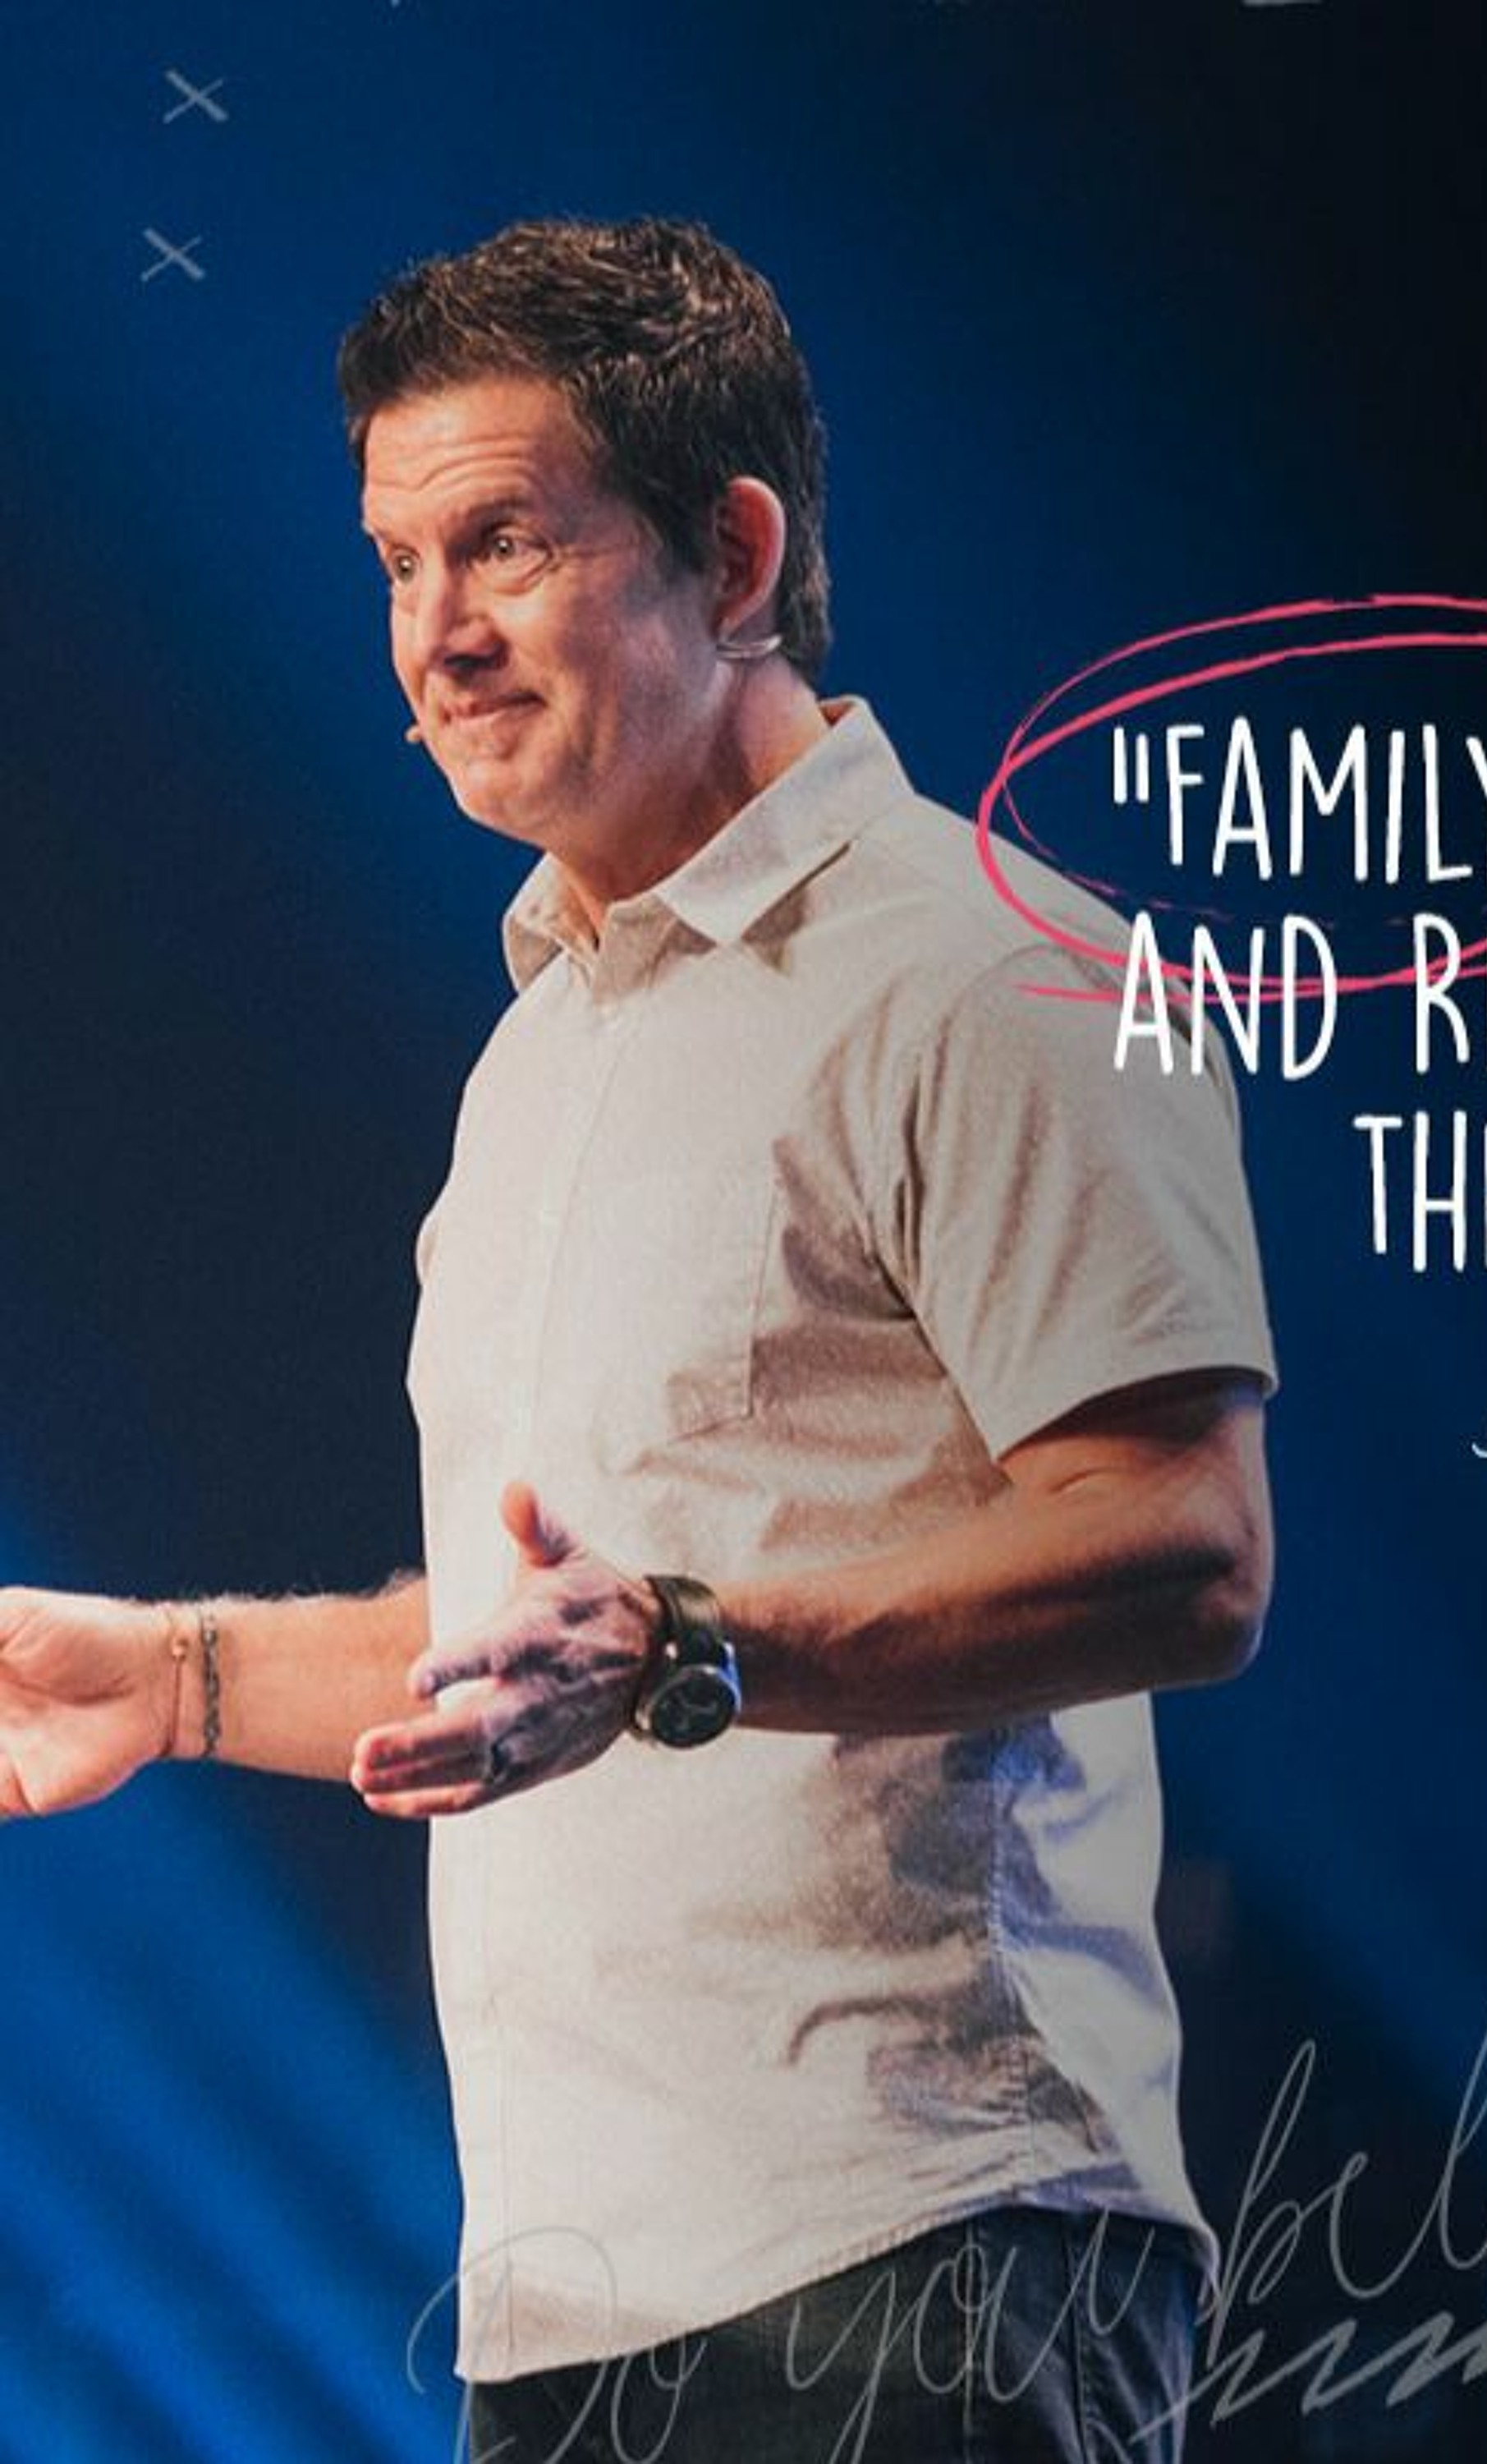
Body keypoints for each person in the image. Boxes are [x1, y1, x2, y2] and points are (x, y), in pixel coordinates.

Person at [0, 217, 1275, 2462]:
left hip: (929, 2260)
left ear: (735, 553)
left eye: (502, 540)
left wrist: (689, 1644)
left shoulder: (995, 964)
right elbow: (545, 1647)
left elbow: (1186, 1546)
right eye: (397, 564)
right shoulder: (541, 1060)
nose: (435, 633)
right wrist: (174, 1677)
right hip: (572, 2308)